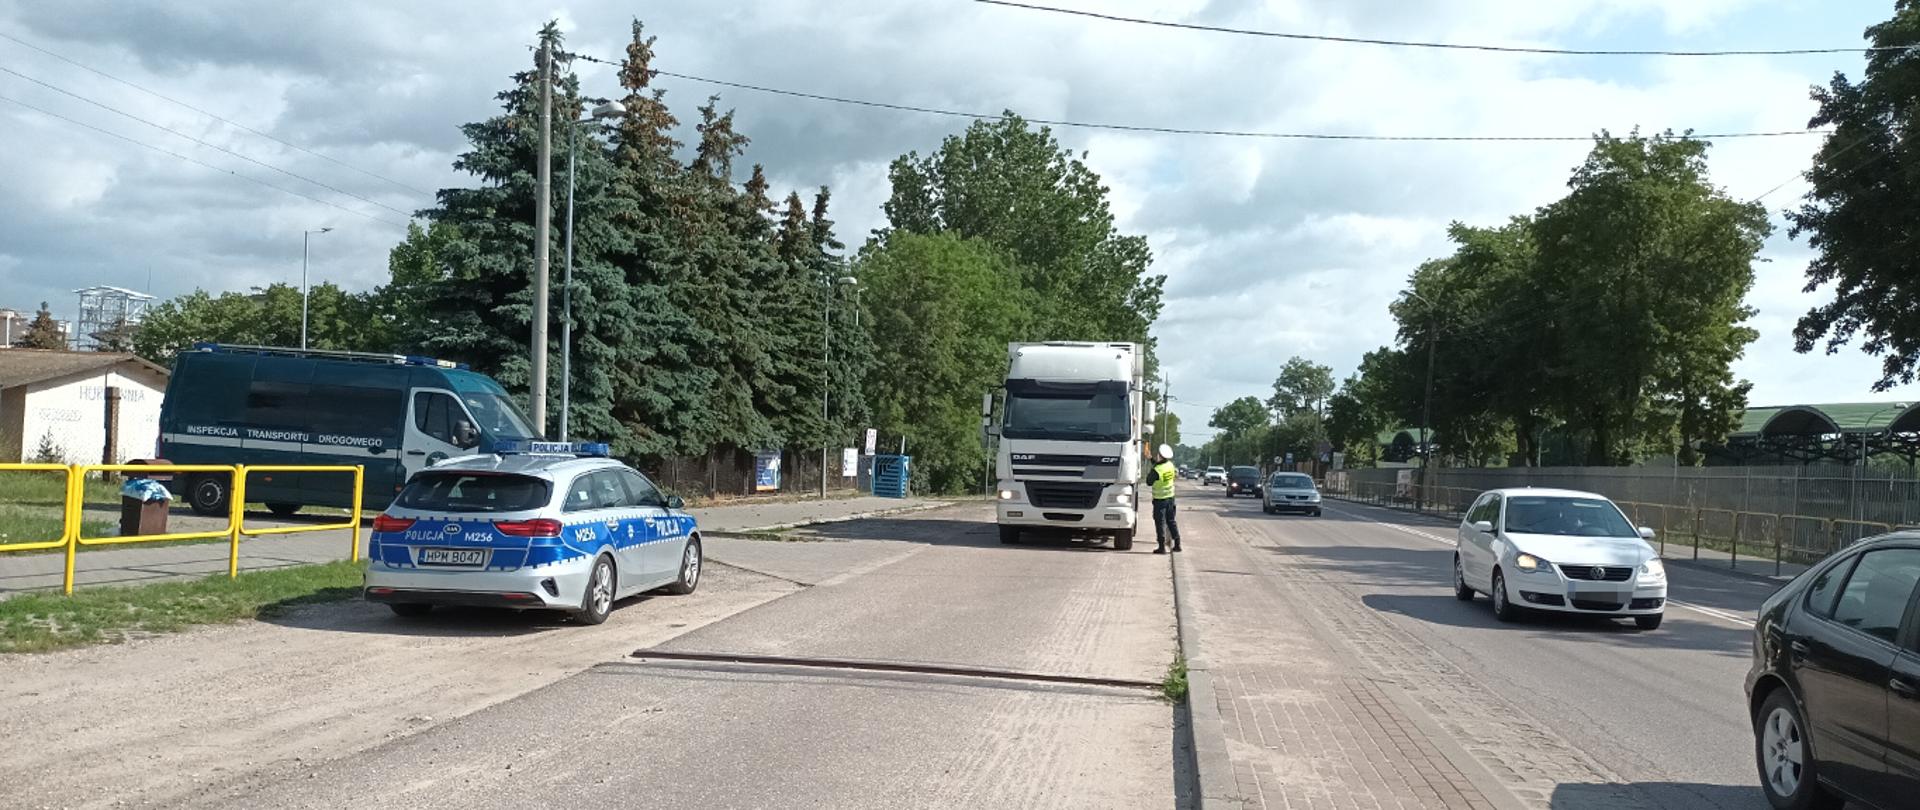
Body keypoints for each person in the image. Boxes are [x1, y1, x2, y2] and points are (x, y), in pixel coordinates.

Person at [1148, 443, 1182, 554]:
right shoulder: (1170, 465)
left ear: (1159, 455)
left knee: (1160, 522)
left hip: (1160, 500)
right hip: (1170, 498)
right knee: (1171, 521)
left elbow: (1149, 481)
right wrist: (1151, 459)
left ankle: (1161, 547)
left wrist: (1153, 465)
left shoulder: (1157, 470)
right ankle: (1177, 544)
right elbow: (1160, 466)